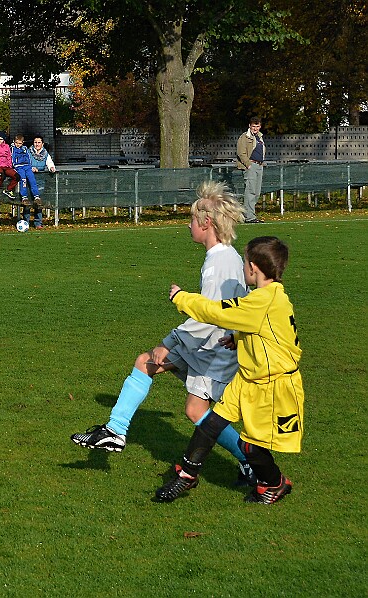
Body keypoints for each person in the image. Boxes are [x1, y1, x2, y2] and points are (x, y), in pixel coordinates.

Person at [72, 181, 256, 485]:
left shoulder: (220, 262)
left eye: (191, 220)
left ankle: (116, 431)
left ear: (206, 223)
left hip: (213, 347)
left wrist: (169, 343)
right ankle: (115, 430)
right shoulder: (225, 256)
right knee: (176, 390)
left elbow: (208, 314)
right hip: (213, 344)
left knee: (159, 371)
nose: (188, 226)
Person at [155, 236, 303, 504]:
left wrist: (182, 298)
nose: (243, 267)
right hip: (249, 379)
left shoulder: (263, 301)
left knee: (251, 446)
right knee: (209, 425)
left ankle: (275, 483)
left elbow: (217, 312)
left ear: (254, 268)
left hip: (273, 386)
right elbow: (269, 330)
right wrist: (238, 339)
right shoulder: (268, 297)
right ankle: (186, 476)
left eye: (245, 262)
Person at [236, 117, 266, 224]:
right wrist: (248, 165)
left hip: (259, 165)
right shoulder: (244, 137)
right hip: (251, 165)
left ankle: (250, 214)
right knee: (250, 191)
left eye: (257, 126)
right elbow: (241, 152)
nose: (255, 128)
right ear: (250, 126)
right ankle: (249, 217)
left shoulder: (259, 137)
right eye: (253, 126)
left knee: (256, 192)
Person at [10, 134, 41, 228]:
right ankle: (24, 197)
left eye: (20, 143)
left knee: (32, 180)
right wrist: (14, 166)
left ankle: (36, 196)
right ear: (14, 142)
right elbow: (12, 158)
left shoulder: (25, 149)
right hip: (19, 167)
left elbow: (29, 157)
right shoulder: (12, 148)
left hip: (27, 166)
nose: (18, 145)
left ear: (22, 143)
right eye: (16, 143)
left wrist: (31, 166)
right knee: (22, 180)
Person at [26, 136, 56, 229]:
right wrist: (31, 168)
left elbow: (50, 163)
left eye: (39, 142)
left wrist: (51, 168)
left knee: (38, 202)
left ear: (42, 144)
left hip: (40, 180)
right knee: (28, 202)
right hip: (29, 179)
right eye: (35, 142)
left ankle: (38, 223)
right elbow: (25, 163)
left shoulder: (45, 154)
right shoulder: (28, 152)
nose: (37, 144)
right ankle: (25, 222)